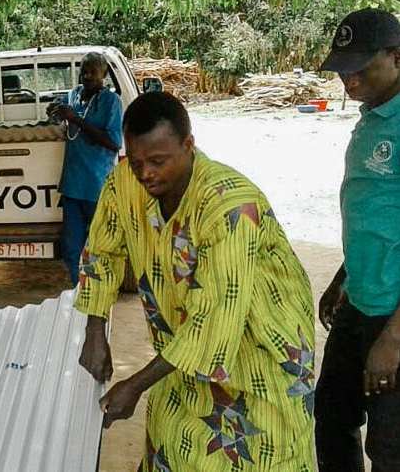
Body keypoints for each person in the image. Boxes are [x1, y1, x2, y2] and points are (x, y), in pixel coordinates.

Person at [76, 92, 316, 470]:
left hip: (260, 358)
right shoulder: (126, 181)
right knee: (175, 444)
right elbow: (102, 251)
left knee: (263, 455)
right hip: (181, 355)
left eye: (158, 161)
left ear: (189, 145)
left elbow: (213, 319)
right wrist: (95, 327)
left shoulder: (231, 207)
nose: (145, 173)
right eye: (137, 161)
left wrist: (136, 384)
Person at [315, 8, 400, 472]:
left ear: (397, 57)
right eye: (343, 68)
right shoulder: (371, 119)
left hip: (393, 315)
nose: (349, 79)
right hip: (360, 304)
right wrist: (342, 277)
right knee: (331, 417)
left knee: (388, 447)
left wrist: (393, 339)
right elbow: (376, 218)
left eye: (361, 66)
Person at [45, 52, 122, 286]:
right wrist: (55, 113)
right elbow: (64, 121)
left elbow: (114, 142)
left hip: (96, 186)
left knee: (100, 245)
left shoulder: (111, 102)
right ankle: (73, 290)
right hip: (73, 186)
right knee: (71, 247)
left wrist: (76, 119)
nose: (87, 75)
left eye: (93, 71)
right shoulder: (75, 95)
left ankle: (100, 292)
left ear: (104, 74)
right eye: (83, 70)